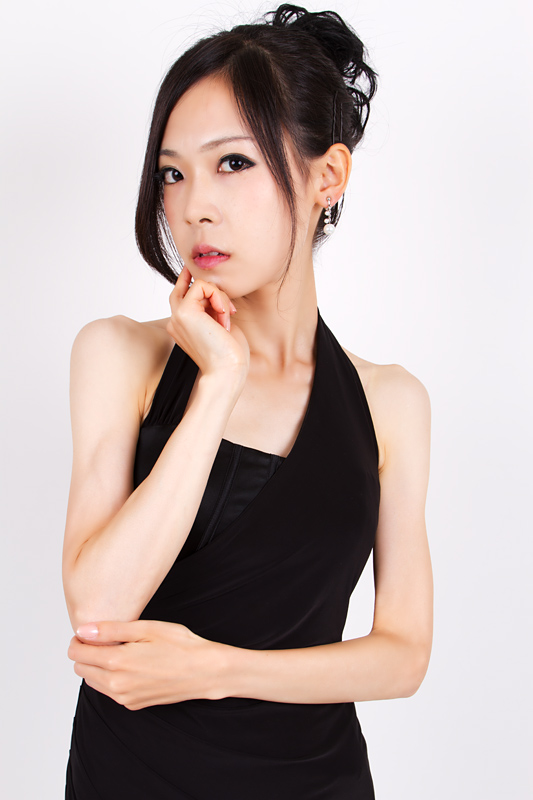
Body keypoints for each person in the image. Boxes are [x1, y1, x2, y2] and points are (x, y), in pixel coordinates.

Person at [63, 4, 433, 798]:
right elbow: (98, 606)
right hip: (131, 778)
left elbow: (403, 656)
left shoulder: (389, 402)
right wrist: (218, 383)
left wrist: (217, 669)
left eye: (232, 163)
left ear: (326, 177)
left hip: (313, 781)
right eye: (172, 173)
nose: (194, 204)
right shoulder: (119, 355)